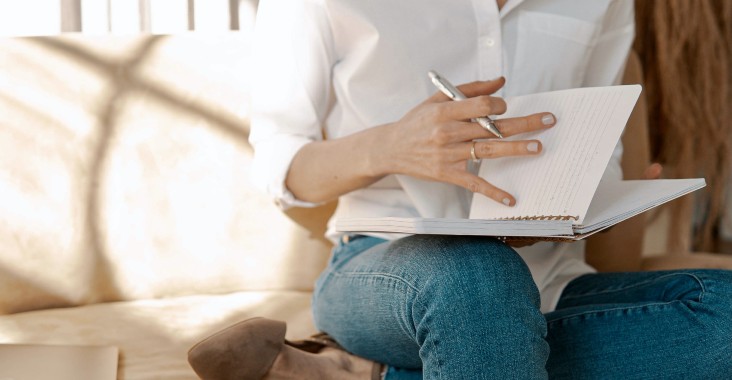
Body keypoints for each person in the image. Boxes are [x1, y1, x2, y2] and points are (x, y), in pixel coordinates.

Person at [188, 0, 732, 379]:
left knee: (723, 313)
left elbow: (599, 147)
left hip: (551, 274)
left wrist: (604, 199)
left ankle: (371, 375)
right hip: (383, 267)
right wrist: (389, 147)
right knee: (478, 275)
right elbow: (283, 169)